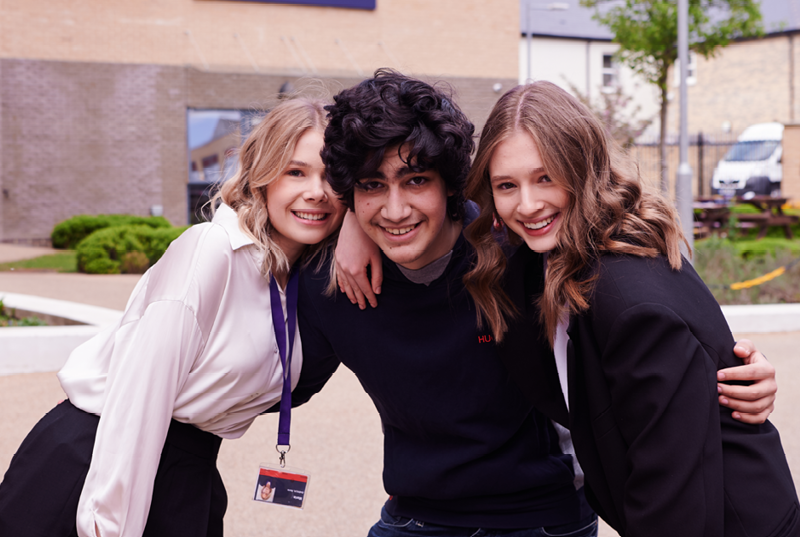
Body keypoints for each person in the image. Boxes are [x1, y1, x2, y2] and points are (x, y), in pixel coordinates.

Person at [290, 69, 777, 537]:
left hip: (545, 517)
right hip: (415, 517)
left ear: (453, 185)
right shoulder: (333, 278)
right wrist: (349, 220)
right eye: (371, 186)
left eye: (416, 180)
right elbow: (274, 383)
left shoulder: (518, 255)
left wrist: (728, 370)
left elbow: (655, 326)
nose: (395, 209)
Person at [463, 80, 799, 536]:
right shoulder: (545, 258)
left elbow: (676, 498)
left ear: (583, 168)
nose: (527, 204)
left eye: (545, 177)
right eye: (507, 185)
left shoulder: (630, 300)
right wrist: (353, 228)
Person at [0, 97, 346, 537]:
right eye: (296, 171)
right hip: (101, 468)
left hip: (189, 475)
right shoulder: (212, 249)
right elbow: (140, 397)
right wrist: (109, 523)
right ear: (262, 176)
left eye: (332, 176)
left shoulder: (295, 281)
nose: (316, 191)